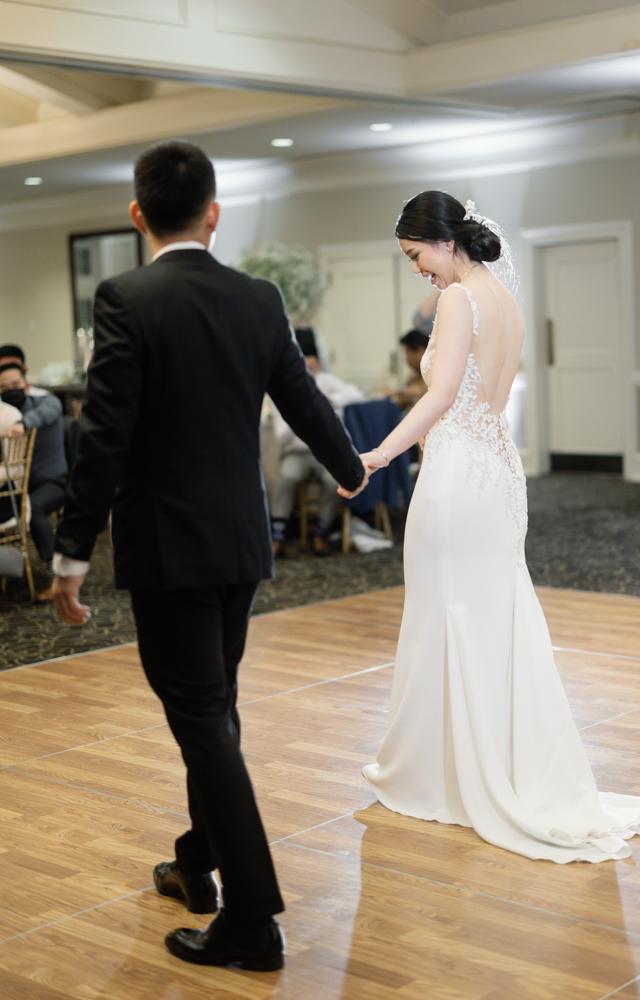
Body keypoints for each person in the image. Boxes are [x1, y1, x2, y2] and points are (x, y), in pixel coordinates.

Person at [52, 139, 365, 970]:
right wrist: (349, 467)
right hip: (240, 541)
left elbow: (105, 434)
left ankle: (252, 919)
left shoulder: (126, 297)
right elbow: (301, 399)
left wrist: (71, 553)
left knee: (201, 719)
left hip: (168, 548)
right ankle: (196, 860)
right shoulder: (259, 298)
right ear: (214, 214)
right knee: (213, 709)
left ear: (137, 215)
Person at [342, 191, 640, 863]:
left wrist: (378, 455)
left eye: (416, 255)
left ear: (444, 241)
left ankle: (441, 773)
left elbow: (442, 395)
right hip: (499, 474)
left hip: (457, 479)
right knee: (493, 612)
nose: (417, 269)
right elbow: (484, 399)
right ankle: (495, 761)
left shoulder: (457, 300)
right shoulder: (504, 300)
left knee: (444, 612)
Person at [270, 327, 365, 557]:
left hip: (323, 450)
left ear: (319, 366)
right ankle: (277, 536)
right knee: (286, 477)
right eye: (305, 369)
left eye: (312, 369)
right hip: (296, 452)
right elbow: (281, 436)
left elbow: (358, 394)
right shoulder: (284, 388)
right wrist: (301, 413)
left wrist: (328, 400)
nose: (309, 374)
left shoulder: (326, 382)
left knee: (335, 480)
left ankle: (321, 532)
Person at [0, 359, 67, 600]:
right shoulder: (4, 415)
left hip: (53, 483)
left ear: (27, 385)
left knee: (33, 507)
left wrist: (22, 424)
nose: (10, 391)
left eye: (15, 385)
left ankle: (57, 577)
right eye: (3, 388)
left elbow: (45, 413)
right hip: (16, 486)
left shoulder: (46, 402)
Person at [386, 330, 429, 413]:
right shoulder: (414, 375)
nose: (406, 359)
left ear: (420, 352)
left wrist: (399, 390)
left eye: (407, 353)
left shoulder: (435, 372)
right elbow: (401, 403)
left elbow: (424, 392)